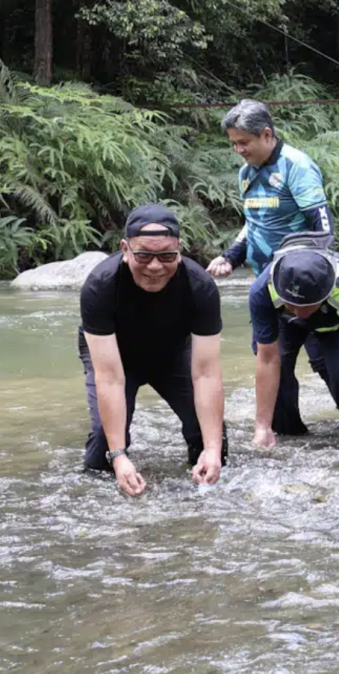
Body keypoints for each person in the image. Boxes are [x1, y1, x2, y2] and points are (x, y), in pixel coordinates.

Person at [207, 99, 336, 436]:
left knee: (329, 366)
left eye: (243, 143)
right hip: (270, 292)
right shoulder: (246, 173)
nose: (238, 150)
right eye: (233, 143)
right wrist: (231, 256)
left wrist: (280, 267)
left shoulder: (297, 166)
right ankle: (290, 442)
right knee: (274, 365)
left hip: (307, 286)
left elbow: (323, 230)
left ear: (266, 134)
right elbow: (254, 223)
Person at [78, 204, 227, 497]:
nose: (155, 266)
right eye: (144, 255)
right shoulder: (100, 286)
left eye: (167, 256)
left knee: (214, 439)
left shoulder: (201, 287)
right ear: (125, 248)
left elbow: (206, 374)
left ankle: (203, 494)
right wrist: (119, 456)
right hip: (116, 357)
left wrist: (212, 448)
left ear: (180, 250)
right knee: (103, 446)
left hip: (172, 353)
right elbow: (109, 378)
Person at [249, 232, 339, 451]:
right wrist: (261, 427)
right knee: (279, 368)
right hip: (283, 322)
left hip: (332, 324)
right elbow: (266, 360)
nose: (298, 312)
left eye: (306, 306)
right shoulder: (262, 289)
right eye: (292, 303)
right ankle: (288, 434)